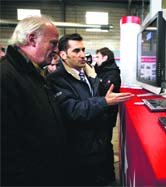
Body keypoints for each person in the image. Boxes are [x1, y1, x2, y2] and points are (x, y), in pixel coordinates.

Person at [46, 33, 133, 186]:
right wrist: (104, 101)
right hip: (80, 154)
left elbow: (91, 97)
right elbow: (73, 110)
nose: (82, 55)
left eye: (83, 50)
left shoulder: (88, 73)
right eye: (76, 51)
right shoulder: (57, 80)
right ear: (63, 54)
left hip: (100, 147)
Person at [0, 16, 66, 186]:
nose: (57, 49)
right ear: (32, 39)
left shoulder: (34, 73)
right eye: (53, 43)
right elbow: (7, 150)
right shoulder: (6, 77)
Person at [94, 47, 121, 183]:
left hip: (106, 116)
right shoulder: (103, 71)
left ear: (105, 58)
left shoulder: (111, 73)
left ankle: (108, 177)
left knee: (104, 145)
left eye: (97, 57)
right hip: (102, 113)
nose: (95, 60)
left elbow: (102, 91)